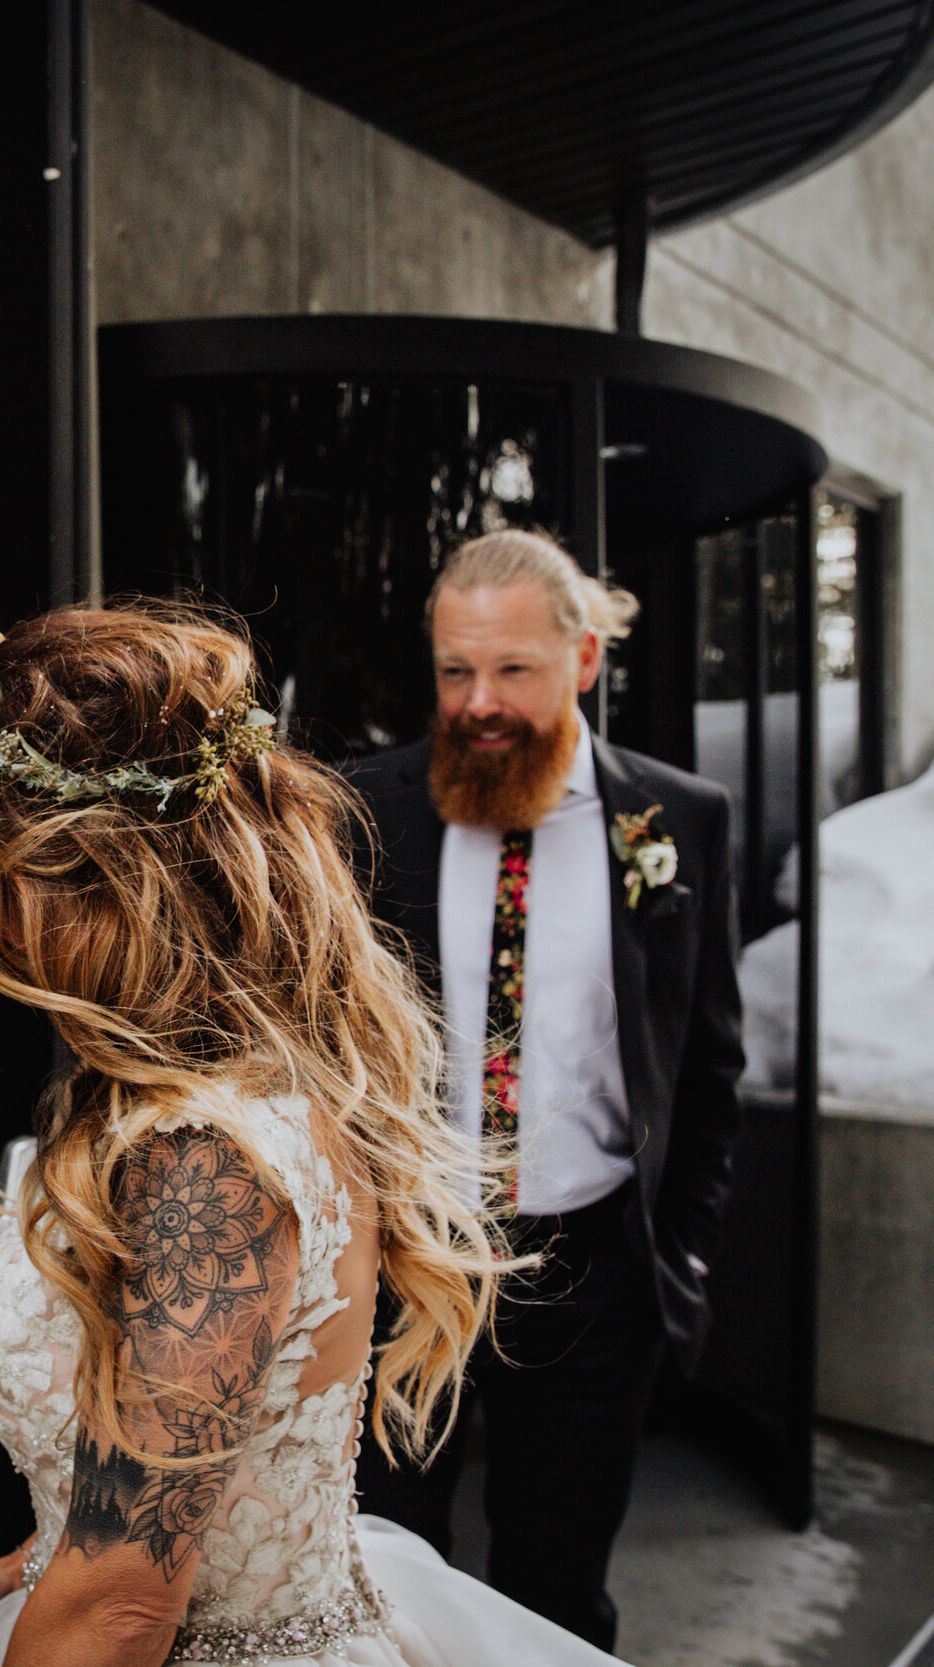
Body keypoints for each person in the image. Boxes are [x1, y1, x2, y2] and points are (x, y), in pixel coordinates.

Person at [0, 602, 627, 1666]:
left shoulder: (203, 1160)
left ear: (76, 878)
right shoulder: (184, 1091)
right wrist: (3, 1574)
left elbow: (124, 1608)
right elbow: (162, 1462)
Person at [346, 530, 745, 1652]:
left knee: (555, 1585)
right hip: (409, 1259)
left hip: (593, 1269)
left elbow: (708, 1064)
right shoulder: (358, 808)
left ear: (581, 661)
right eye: (453, 670)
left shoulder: (677, 822)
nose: (478, 702)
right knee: (380, 1564)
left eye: (512, 669)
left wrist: (681, 1255)